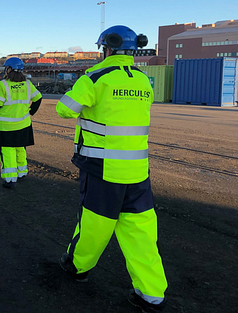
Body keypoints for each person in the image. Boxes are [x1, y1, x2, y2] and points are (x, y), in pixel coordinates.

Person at [56, 25, 167, 312]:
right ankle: (151, 294)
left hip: (102, 168)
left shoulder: (96, 77)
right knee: (141, 232)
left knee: (95, 225)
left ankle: (78, 268)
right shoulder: (144, 80)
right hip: (138, 170)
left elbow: (65, 108)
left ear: (106, 48)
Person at [0, 57, 42, 189]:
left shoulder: (2, 84)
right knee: (20, 147)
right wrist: (31, 112)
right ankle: (21, 172)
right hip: (23, 124)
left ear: (9, 69)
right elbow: (38, 98)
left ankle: (10, 179)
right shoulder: (27, 83)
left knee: (7, 151)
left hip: (7, 127)